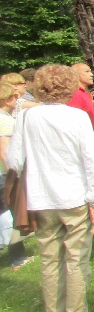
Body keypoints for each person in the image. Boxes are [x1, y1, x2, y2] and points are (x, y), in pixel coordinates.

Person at [7, 64, 94, 312]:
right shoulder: (76, 117)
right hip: (74, 196)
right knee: (76, 259)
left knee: (50, 259)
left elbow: (15, 160)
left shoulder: (28, 117)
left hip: (41, 198)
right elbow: (91, 161)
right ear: (69, 86)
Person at [0, 82, 33, 270]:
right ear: (6, 100)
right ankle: (16, 256)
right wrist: (15, 175)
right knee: (11, 214)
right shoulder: (5, 121)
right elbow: (5, 152)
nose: (17, 100)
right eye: (14, 97)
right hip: (6, 174)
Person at [68, 63, 94, 147]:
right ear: (75, 75)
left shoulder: (83, 92)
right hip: (88, 144)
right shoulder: (75, 94)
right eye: (87, 72)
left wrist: (91, 105)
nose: (92, 74)